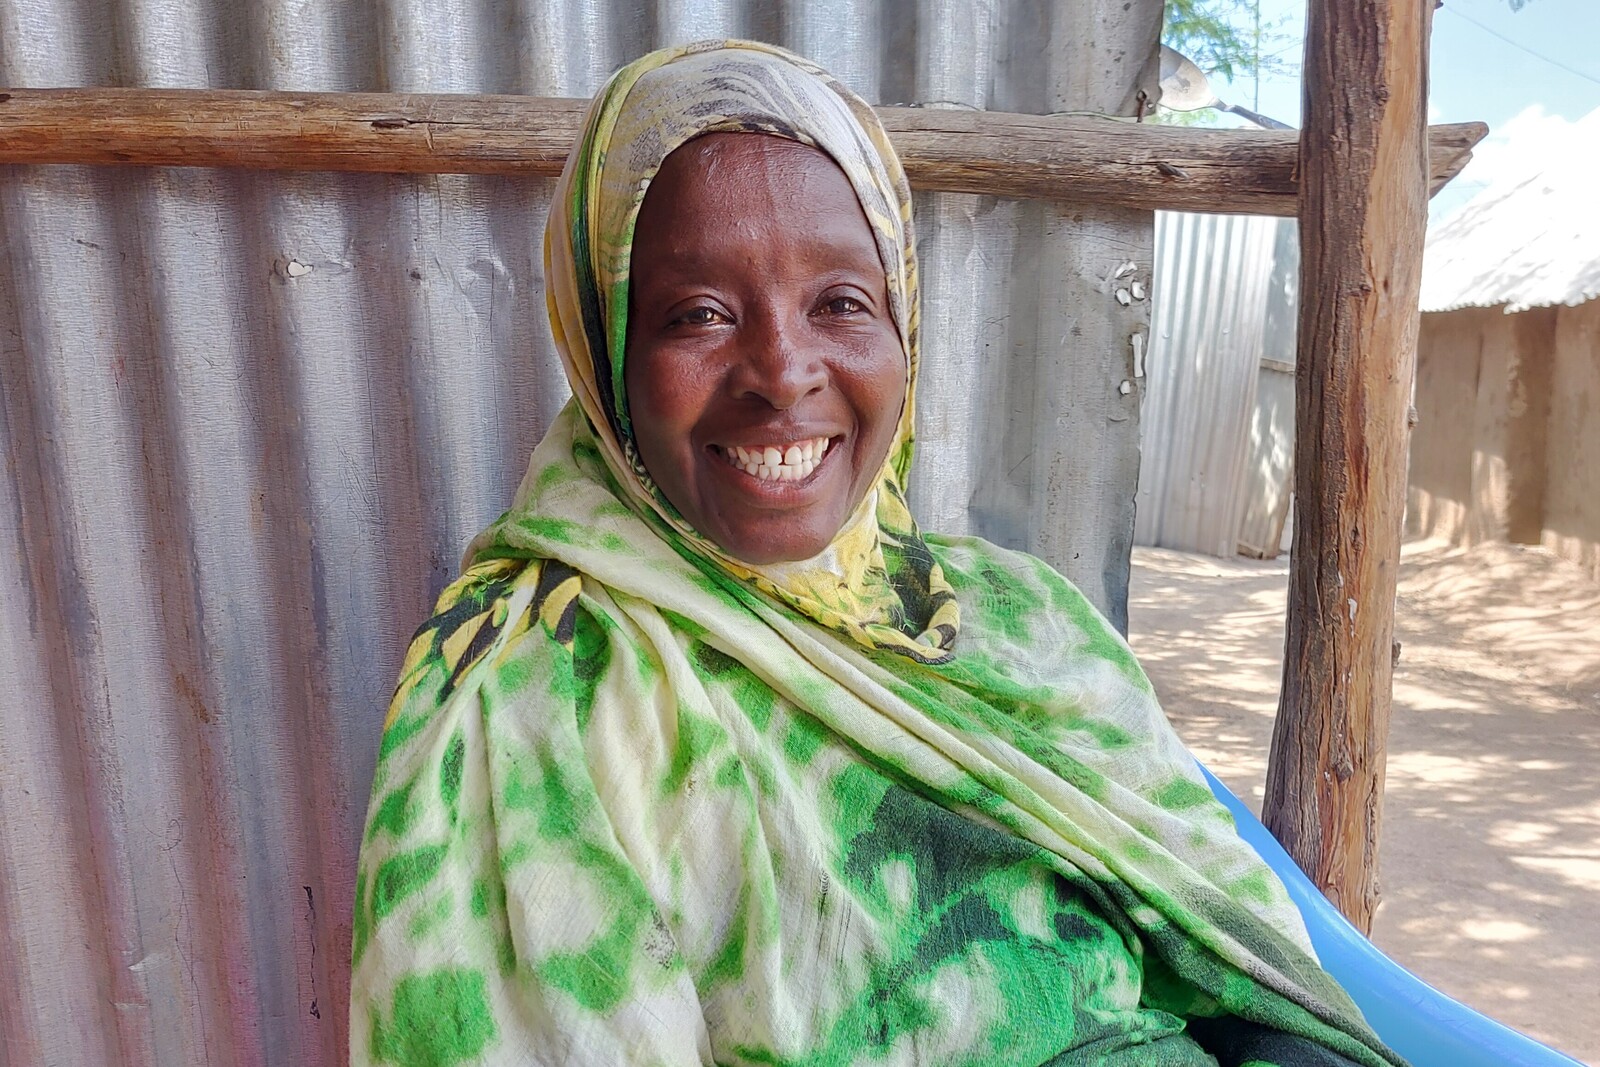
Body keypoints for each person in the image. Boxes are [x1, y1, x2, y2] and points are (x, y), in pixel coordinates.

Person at [350, 39, 1405, 1067]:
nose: (780, 369)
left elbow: (1228, 949)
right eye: (698, 313)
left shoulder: (1014, 615)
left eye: (840, 302)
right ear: (604, 346)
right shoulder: (532, 685)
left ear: (902, 317)